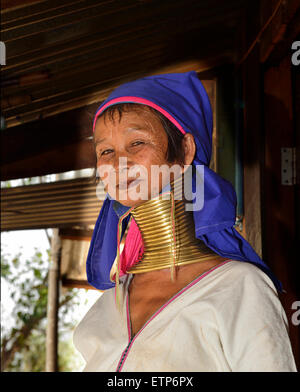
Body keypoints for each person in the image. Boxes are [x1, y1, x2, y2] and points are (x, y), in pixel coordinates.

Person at [73, 71, 297, 372]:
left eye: (137, 143)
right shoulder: (107, 306)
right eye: (106, 151)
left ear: (186, 151)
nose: (117, 163)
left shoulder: (240, 288)